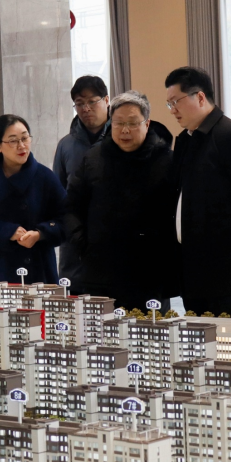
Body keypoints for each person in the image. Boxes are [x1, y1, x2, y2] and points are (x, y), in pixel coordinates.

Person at [166, 66, 231, 318]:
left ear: (200, 97)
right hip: (192, 267)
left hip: (227, 270)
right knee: (198, 337)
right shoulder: (185, 140)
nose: (172, 110)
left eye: (176, 102)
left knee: (229, 338)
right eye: (169, 104)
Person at [64, 91, 180, 310]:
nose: (125, 130)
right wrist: (84, 244)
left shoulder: (166, 161)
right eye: (118, 123)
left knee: (149, 329)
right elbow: (72, 206)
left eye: (133, 123)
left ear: (147, 123)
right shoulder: (93, 158)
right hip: (101, 272)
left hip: (149, 274)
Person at [0, 114, 66, 284]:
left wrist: (41, 233)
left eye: (25, 138)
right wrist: (7, 231)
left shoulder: (45, 177)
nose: (21, 146)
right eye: (13, 141)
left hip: (39, 270)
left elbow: (66, 219)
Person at [53, 76, 111, 289]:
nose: (86, 109)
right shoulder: (66, 145)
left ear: (107, 100)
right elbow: (58, 195)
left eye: (92, 101)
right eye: (79, 103)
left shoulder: (121, 139)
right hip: (75, 247)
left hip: (111, 240)